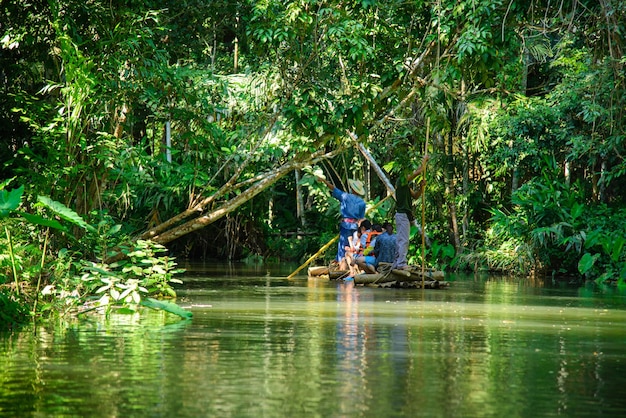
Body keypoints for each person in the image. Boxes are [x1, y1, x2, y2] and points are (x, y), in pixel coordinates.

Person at [318, 176, 366, 271]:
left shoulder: (346, 197)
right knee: (353, 246)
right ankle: (353, 266)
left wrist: (324, 181)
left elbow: (333, 188)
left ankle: (342, 267)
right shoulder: (362, 203)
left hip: (346, 225)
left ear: (353, 189)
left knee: (343, 246)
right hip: (355, 226)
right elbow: (361, 218)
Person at [392, 155, 429, 270]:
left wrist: (421, 188)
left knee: (401, 239)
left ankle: (397, 263)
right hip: (402, 215)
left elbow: (416, 195)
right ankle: (401, 264)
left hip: (405, 216)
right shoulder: (400, 181)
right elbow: (418, 171)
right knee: (403, 240)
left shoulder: (406, 186)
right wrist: (424, 161)